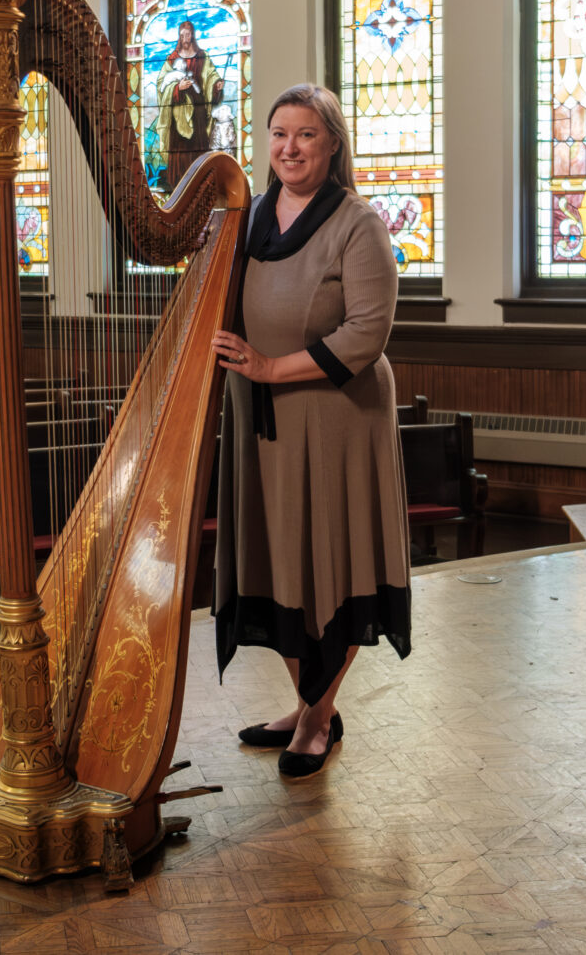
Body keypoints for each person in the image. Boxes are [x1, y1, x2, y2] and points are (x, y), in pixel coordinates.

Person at [211, 83, 410, 779]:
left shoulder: (359, 224)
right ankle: (308, 702)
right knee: (280, 563)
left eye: (305, 135)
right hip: (260, 420)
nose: (289, 147)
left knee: (334, 563)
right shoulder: (248, 216)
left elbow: (366, 333)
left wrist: (269, 365)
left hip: (335, 419)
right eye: (278, 135)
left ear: (332, 146)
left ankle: (317, 719)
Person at [159, 21, 226, 190]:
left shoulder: (202, 57)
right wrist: (176, 88)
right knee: (180, 151)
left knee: (198, 149)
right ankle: (177, 189)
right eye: (182, 35)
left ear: (192, 35)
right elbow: (162, 84)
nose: (184, 38)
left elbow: (211, 76)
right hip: (177, 115)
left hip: (198, 113)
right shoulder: (171, 59)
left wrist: (216, 85)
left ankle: (201, 186)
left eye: (187, 34)